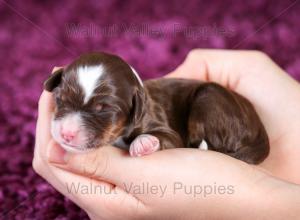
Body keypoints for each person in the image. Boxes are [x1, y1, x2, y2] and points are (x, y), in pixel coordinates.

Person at [33, 49, 300, 220]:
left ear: (135, 111)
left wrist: (258, 200)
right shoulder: (128, 104)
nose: (68, 128)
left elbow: (168, 137)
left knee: (208, 101)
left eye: (103, 111)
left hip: (214, 110)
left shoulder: (146, 115)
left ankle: (219, 149)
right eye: (64, 101)